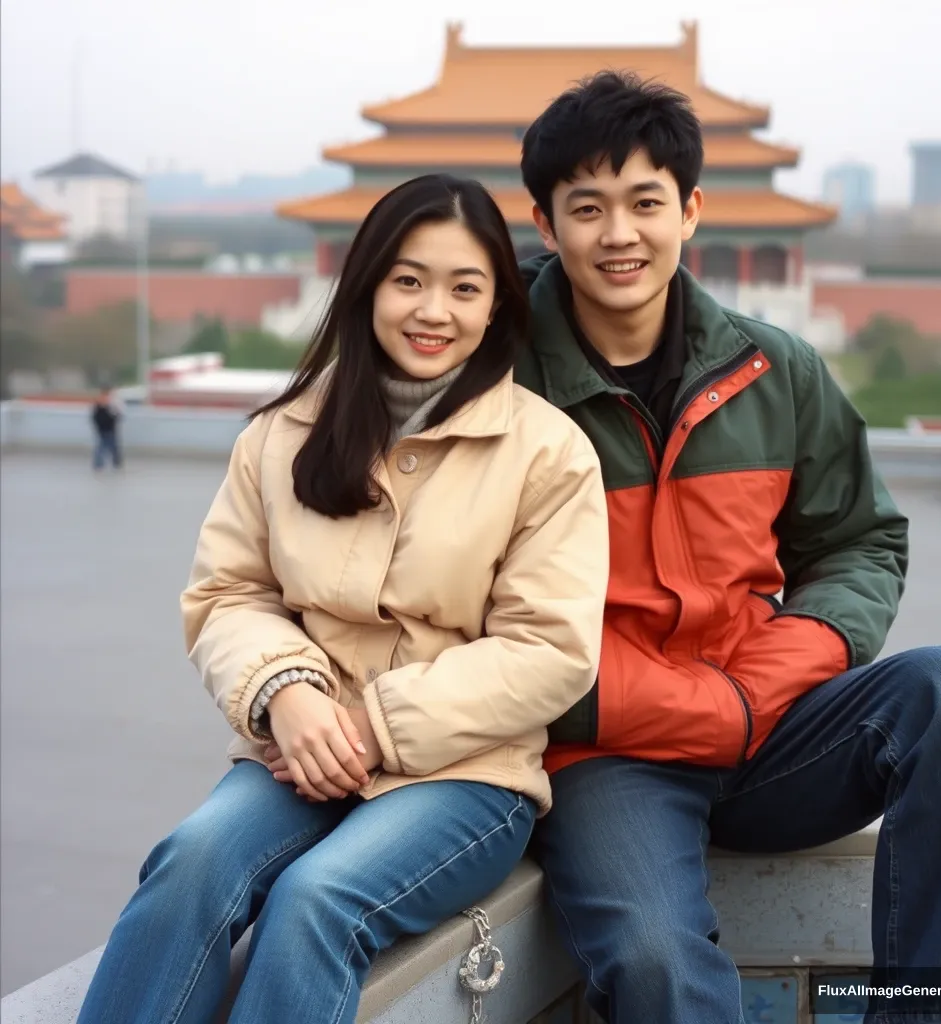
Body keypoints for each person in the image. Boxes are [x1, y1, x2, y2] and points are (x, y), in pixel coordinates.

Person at [513, 71, 941, 1023]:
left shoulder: (772, 367)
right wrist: (679, 706)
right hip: (604, 757)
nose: (619, 234)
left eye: (645, 203)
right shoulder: (502, 387)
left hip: (765, 725)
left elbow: (862, 544)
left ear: (691, 210)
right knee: (656, 961)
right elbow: (462, 605)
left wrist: (756, 689)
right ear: (546, 224)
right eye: (587, 208)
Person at [76, 174, 609, 1024]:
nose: (434, 310)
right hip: (298, 748)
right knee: (191, 864)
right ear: (366, 286)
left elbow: (552, 652)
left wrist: (372, 726)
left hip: (465, 773)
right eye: (409, 280)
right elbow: (228, 593)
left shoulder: (548, 453)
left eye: (464, 288)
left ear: (495, 308)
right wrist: (284, 691)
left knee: (317, 901)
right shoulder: (283, 430)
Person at [90, 388, 122, 470]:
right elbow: (98, 419)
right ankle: (99, 463)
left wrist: (115, 415)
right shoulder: (99, 408)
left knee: (113, 447)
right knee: (102, 447)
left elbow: (116, 417)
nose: (106, 399)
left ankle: (116, 462)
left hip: (110, 430)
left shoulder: (110, 407)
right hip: (103, 430)